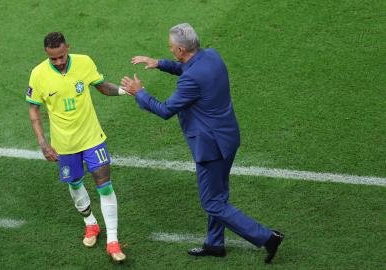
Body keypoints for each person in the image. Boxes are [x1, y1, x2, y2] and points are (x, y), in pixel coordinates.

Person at [121, 23, 284, 264]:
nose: (170, 51)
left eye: (170, 49)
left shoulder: (191, 80)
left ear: (179, 50)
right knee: (219, 195)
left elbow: (165, 109)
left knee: (212, 203)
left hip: (211, 147)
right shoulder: (211, 55)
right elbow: (190, 68)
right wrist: (159, 63)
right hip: (227, 137)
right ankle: (215, 244)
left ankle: (267, 238)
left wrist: (140, 93)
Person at [26, 32, 126, 262]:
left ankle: (113, 241)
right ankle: (90, 224)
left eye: (62, 56)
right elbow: (33, 109)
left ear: (67, 48)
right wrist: (43, 143)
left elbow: (101, 86)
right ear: (46, 54)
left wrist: (123, 90)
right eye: (54, 59)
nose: (59, 62)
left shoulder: (84, 62)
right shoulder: (38, 74)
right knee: (75, 183)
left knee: (105, 185)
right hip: (64, 145)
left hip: (92, 137)